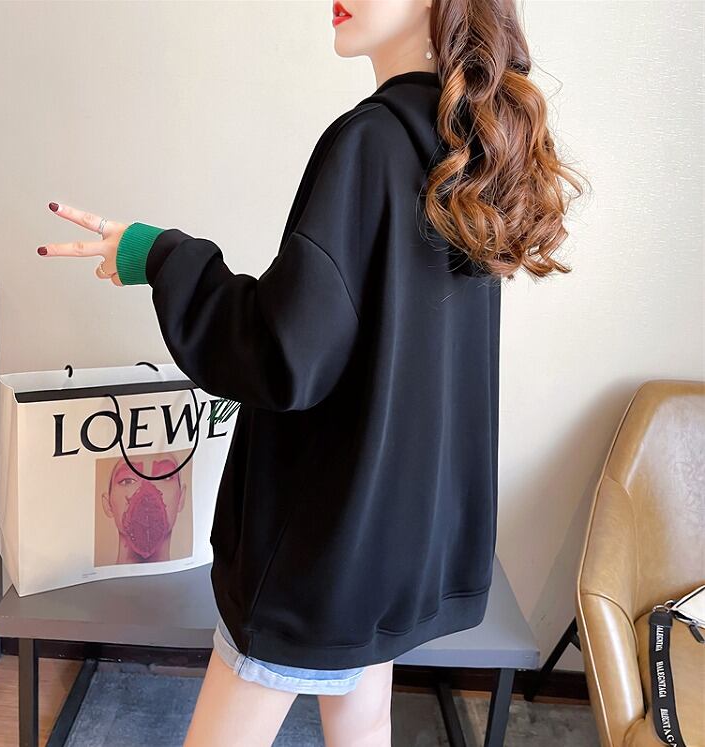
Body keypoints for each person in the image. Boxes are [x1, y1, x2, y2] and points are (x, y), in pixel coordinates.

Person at [37, 0, 586, 744]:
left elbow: (283, 354)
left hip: (324, 545)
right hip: (401, 537)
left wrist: (161, 255)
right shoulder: (473, 145)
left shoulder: (370, 141)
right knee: (362, 721)